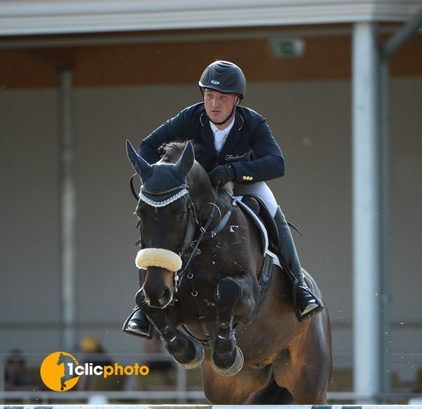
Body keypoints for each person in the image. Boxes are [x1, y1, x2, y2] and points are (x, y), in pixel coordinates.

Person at [123, 60, 323, 339]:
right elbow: (146, 146)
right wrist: (162, 178)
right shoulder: (190, 117)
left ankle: (299, 287)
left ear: (236, 100)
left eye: (223, 98)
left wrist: (234, 170)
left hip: (241, 185)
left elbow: (277, 164)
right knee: (158, 216)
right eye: (209, 96)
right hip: (197, 190)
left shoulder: (253, 122)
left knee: (273, 210)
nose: (214, 104)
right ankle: (144, 310)